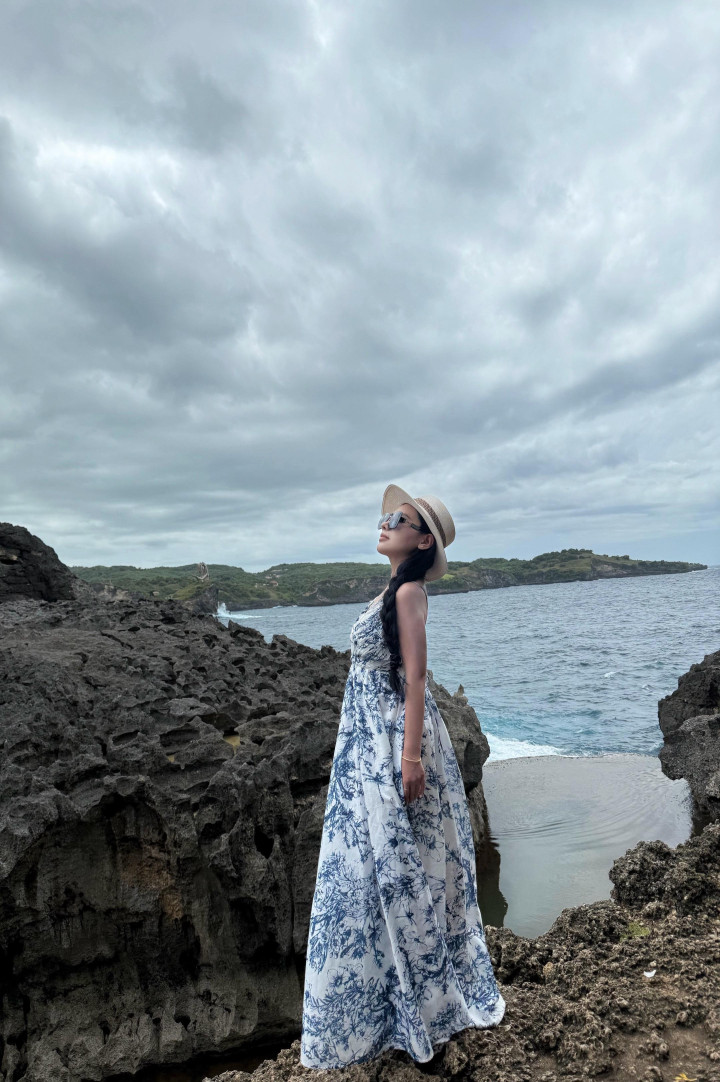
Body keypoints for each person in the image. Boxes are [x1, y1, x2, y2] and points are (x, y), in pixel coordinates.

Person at [299, 483, 506, 1069]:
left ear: (422, 542)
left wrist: (410, 759)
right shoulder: (391, 591)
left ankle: (422, 1011)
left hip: (394, 740)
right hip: (367, 740)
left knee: (400, 871)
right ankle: (388, 1010)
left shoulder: (410, 592)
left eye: (400, 519)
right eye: (388, 515)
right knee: (373, 872)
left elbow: (415, 678)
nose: (386, 522)